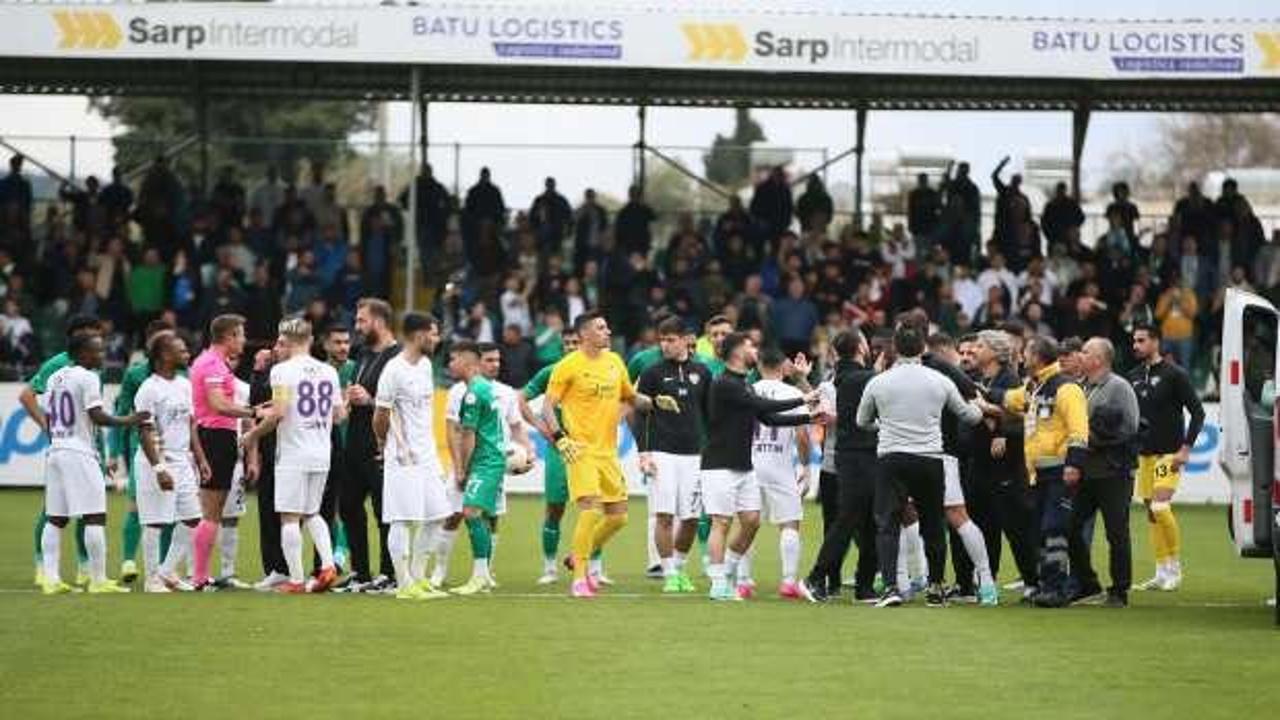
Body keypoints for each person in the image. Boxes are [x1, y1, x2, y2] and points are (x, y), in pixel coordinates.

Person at [542, 311, 677, 598]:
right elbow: (546, 406)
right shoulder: (568, 366)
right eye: (601, 328)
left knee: (618, 517)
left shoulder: (615, 362)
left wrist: (654, 402)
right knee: (590, 509)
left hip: (608, 452)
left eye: (606, 326)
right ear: (585, 334)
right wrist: (560, 437)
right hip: (580, 450)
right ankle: (580, 578)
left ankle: (578, 555)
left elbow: (629, 397)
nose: (608, 331)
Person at [857, 324, 988, 608]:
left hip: (891, 456)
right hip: (929, 457)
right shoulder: (938, 380)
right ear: (921, 348)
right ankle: (936, 587)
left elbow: (861, 421)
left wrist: (884, 425)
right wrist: (982, 407)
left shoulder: (879, 381)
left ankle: (891, 586)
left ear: (895, 348)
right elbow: (968, 416)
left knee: (887, 523)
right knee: (933, 523)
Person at [700, 332, 825, 601]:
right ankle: (719, 581)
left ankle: (732, 572)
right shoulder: (724, 383)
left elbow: (767, 418)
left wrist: (808, 416)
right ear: (736, 352)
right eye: (749, 345)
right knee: (721, 522)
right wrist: (802, 399)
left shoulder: (745, 384)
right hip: (719, 465)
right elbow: (762, 405)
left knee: (752, 521)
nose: (754, 349)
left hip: (745, 466)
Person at [978, 336, 1089, 608]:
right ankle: (1057, 584)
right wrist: (978, 389)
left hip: (1060, 470)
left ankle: (1056, 588)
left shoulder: (1066, 389)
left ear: (1037, 357)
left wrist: (1074, 464)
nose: (1022, 357)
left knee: (1054, 528)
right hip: (1039, 474)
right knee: (1041, 530)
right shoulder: (1034, 387)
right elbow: (1011, 399)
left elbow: (1079, 430)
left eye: (1026, 353)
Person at [39, 332, 149, 594]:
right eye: (97, 351)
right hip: (79, 452)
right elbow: (97, 416)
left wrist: (58, 439)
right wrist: (130, 420)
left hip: (56, 449)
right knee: (95, 516)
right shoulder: (88, 377)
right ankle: (99, 580)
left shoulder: (55, 378)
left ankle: (51, 579)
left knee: (55, 518)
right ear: (81, 353)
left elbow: (48, 414)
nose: (102, 355)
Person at [242, 318, 343, 594]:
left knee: (289, 517)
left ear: (285, 340)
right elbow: (339, 415)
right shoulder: (328, 371)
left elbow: (279, 413)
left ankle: (296, 580)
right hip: (322, 452)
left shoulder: (282, 371)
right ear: (310, 340)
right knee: (313, 512)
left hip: (293, 453)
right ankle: (327, 565)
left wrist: (252, 434)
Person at [372, 313, 451, 600]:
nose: (437, 338)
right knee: (402, 519)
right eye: (433, 333)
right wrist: (387, 445)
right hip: (403, 456)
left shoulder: (426, 365)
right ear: (418, 335)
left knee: (438, 515)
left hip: (427, 454)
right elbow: (380, 415)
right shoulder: (393, 370)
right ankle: (404, 584)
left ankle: (418, 578)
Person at [23, 316, 104, 587]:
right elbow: (27, 394)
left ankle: (82, 566)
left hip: (84, 442)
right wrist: (48, 425)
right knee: (56, 510)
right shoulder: (59, 364)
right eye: (91, 335)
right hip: (71, 445)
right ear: (78, 338)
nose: (97, 341)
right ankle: (42, 566)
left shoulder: (92, 366)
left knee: (82, 510)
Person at [636, 317, 712, 594]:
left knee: (691, 518)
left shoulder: (702, 373)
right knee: (664, 516)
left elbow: (710, 415)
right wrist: (644, 453)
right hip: (661, 454)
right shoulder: (652, 373)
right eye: (662, 340)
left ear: (685, 339)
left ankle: (679, 569)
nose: (664, 345)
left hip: (694, 456)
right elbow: (639, 415)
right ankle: (668, 572)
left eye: (670, 339)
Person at [802, 331, 878, 602]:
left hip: (844, 457)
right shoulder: (862, 378)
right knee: (848, 520)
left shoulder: (837, 379)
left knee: (863, 522)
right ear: (860, 346)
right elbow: (861, 420)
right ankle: (817, 577)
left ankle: (863, 586)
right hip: (856, 456)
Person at [1128, 323, 1205, 592]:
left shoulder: (1175, 375)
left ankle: (1175, 567)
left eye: (1141, 340)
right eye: (1134, 341)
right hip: (1144, 457)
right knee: (1151, 513)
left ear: (1156, 342)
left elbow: (1198, 413)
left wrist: (1185, 449)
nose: (1136, 345)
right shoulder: (1133, 376)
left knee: (1160, 508)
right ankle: (1161, 571)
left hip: (1168, 455)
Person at [189, 314, 261, 590]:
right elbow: (218, 404)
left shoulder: (211, 362)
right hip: (215, 437)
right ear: (229, 336)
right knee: (211, 511)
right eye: (241, 335)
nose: (244, 340)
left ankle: (201, 575)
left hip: (218, 437)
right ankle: (198, 577)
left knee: (214, 512)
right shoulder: (212, 364)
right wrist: (253, 411)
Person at [134, 331, 207, 592]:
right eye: (182, 350)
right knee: (155, 520)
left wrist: (200, 458)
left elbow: (190, 424)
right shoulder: (149, 389)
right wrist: (159, 468)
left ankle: (166, 572)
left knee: (193, 519)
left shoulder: (184, 384)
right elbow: (144, 430)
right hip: (156, 462)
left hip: (182, 460)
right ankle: (151, 578)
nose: (187, 354)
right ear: (164, 355)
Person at [1070, 338, 1140, 608]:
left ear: (1099, 359)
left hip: (1113, 472)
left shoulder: (1119, 387)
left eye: (1086, 351)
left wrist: (1096, 437)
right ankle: (1087, 583)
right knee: (1071, 528)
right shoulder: (1081, 387)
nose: (1080, 355)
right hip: (1086, 472)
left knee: (1116, 532)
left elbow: (1131, 428)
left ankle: (1119, 590)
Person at [970, 330, 1039, 595]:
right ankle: (988, 580)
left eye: (979, 345)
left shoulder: (1010, 380)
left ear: (996, 352)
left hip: (1008, 465)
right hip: (981, 462)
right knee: (985, 526)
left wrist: (997, 425)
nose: (974, 350)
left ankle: (1032, 581)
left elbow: (1025, 416)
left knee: (1016, 527)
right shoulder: (978, 379)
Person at [109, 318, 176, 585]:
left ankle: (164, 568)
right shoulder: (135, 374)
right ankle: (128, 560)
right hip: (143, 447)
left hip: (174, 450)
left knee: (171, 512)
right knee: (138, 507)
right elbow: (122, 413)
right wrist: (113, 452)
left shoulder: (181, 375)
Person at [341, 298, 401, 592]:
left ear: (379, 321)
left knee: (384, 511)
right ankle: (360, 573)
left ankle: (389, 573)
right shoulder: (362, 353)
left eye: (362, 320)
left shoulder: (399, 357)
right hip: (354, 442)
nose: (357, 326)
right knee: (349, 507)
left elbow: (405, 405)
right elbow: (355, 394)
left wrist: (371, 400)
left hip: (382, 445)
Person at [520, 326, 583, 584]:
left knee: (593, 509)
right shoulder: (551, 372)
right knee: (555, 508)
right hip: (560, 450)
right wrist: (541, 427)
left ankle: (594, 568)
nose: (570, 346)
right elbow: (521, 399)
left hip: (589, 450)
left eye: (575, 342)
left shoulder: (597, 370)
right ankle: (549, 568)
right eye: (567, 342)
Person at [750, 348, 814, 599]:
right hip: (780, 466)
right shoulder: (793, 393)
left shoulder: (748, 391)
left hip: (750, 464)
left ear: (758, 366)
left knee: (748, 522)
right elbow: (801, 435)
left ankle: (744, 581)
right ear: (784, 366)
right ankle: (788, 581)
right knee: (789, 523)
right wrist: (807, 468)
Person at [447, 341, 508, 595]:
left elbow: (468, 435)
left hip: (485, 461)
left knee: (471, 512)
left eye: (453, 359)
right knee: (480, 515)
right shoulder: (483, 388)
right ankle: (482, 576)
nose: (450, 365)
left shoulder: (473, 392)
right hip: (493, 459)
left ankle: (480, 576)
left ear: (466, 362)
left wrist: (462, 469)